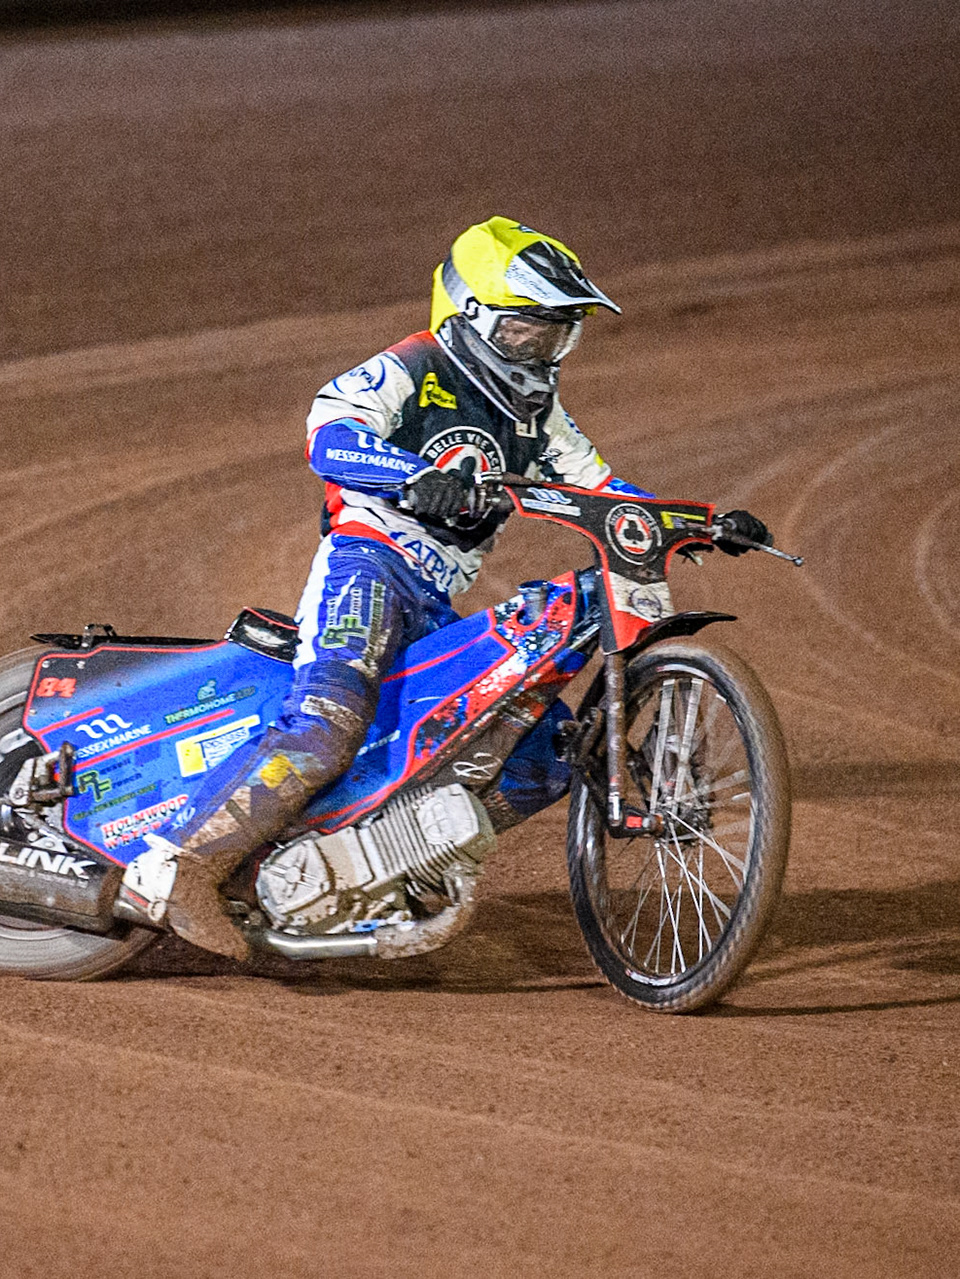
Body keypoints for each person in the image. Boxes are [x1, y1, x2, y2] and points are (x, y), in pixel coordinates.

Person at [160, 216, 769, 960]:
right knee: (328, 720)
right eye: (526, 331)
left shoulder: (536, 415)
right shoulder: (415, 367)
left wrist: (696, 522)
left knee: (541, 753)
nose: (542, 350)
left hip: (435, 596)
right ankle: (183, 869)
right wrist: (414, 477)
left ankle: (394, 861)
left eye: (556, 334)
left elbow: (603, 489)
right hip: (369, 563)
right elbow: (329, 431)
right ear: (471, 315)